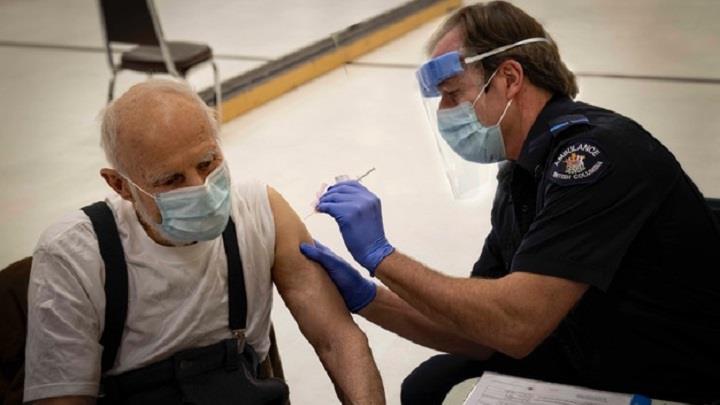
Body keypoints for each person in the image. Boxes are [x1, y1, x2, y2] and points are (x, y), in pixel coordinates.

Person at [299, 2, 720, 404]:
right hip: (594, 357)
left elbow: (515, 324)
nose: (446, 111)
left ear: (509, 78)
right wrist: (368, 297)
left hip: (671, 382)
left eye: (452, 93)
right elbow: (479, 330)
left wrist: (382, 256)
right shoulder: (523, 173)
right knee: (431, 383)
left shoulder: (594, 160)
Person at [24, 79, 385, 405]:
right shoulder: (73, 255)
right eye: (171, 180)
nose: (201, 189)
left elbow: (338, 340)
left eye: (208, 162)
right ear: (120, 186)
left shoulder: (262, 211)